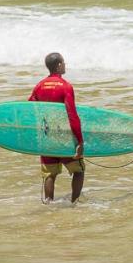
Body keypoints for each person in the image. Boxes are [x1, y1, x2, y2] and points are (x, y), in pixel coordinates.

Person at [28, 52, 85, 204]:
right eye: (64, 62)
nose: (65, 65)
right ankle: (75, 203)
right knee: (78, 171)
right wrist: (80, 141)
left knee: (49, 174)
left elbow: (29, 109)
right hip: (64, 137)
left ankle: (48, 204)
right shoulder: (65, 86)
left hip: (47, 138)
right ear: (59, 65)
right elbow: (72, 115)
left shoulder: (39, 86)